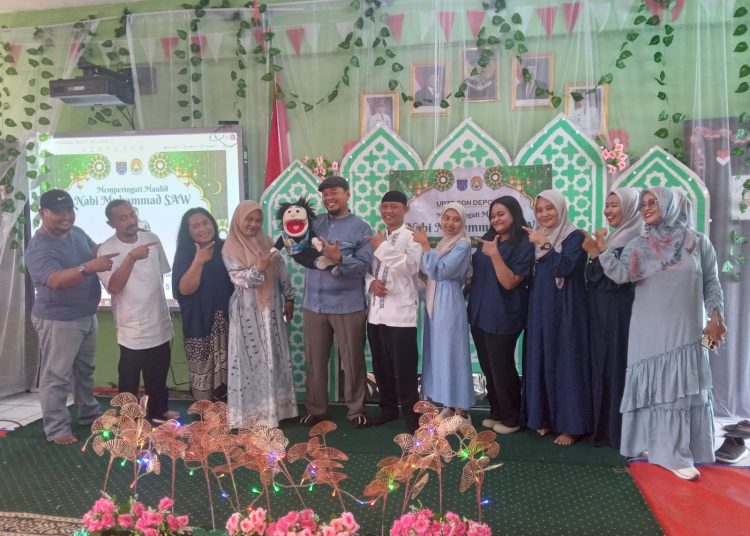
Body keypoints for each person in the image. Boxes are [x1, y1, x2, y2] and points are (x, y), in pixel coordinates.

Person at [598, 187, 726, 480]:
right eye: (643, 203)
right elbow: (621, 275)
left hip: (686, 330)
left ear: (671, 205)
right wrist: (602, 250)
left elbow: (712, 282)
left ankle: (677, 451)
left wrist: (716, 315)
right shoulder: (639, 245)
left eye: (652, 202)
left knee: (680, 388)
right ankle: (657, 447)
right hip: (647, 329)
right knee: (653, 388)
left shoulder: (699, 243)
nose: (645, 207)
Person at [24, 190, 116, 444]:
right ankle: (57, 429)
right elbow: (55, 280)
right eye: (58, 212)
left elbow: (96, 250)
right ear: (43, 213)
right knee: (57, 376)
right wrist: (87, 267)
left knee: (84, 371)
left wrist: (124, 238)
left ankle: (89, 414)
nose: (66, 216)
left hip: (86, 314)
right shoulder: (39, 247)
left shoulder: (76, 233)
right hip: (58, 320)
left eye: (69, 211)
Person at [299, 176, 374, 428]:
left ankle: (356, 410)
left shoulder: (361, 228)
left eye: (334, 192)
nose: (329, 198)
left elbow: (363, 266)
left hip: (348, 306)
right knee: (315, 361)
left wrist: (340, 258)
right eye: (325, 194)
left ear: (347, 194)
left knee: (352, 361)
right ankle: (315, 409)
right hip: (314, 305)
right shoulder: (314, 223)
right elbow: (296, 244)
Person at [97, 200, 179, 422]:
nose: (130, 221)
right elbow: (114, 287)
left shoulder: (151, 239)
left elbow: (161, 273)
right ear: (111, 223)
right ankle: (129, 419)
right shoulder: (107, 249)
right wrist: (131, 257)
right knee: (129, 378)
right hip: (131, 326)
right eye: (122, 218)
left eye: (132, 214)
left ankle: (159, 410)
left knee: (158, 374)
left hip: (158, 321)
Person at [523, 189, 592, 446]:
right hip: (541, 306)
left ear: (561, 208)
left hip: (567, 308)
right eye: (539, 210)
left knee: (566, 360)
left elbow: (565, 267)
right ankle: (545, 418)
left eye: (549, 208)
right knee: (543, 357)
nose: (544, 214)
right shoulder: (537, 236)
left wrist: (544, 244)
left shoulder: (575, 236)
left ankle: (571, 426)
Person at [222, 200, 297, 428]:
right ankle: (250, 414)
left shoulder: (267, 242)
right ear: (239, 220)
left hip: (271, 310)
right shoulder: (230, 248)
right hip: (246, 313)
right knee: (250, 360)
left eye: (258, 220)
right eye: (249, 219)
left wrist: (289, 297)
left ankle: (275, 410)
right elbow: (241, 280)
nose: (254, 224)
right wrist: (259, 267)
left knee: (273, 357)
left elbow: (281, 270)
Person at [468, 197, 534, 435]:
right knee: (488, 365)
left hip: (503, 314)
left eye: (501, 214)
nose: (496, 219)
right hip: (479, 312)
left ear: (514, 214)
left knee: (502, 366)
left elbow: (509, 282)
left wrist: (495, 254)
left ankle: (512, 417)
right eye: (492, 215)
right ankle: (496, 411)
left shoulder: (524, 242)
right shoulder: (488, 238)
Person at [580, 188, 641, 449]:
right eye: (607, 205)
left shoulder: (636, 241)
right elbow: (595, 279)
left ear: (630, 208)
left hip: (619, 314)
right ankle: (601, 427)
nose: (608, 211)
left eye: (615, 205)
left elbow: (615, 281)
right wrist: (596, 252)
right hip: (600, 313)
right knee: (601, 366)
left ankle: (617, 431)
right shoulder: (615, 238)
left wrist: (597, 253)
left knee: (616, 366)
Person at [365, 191, 422, 433]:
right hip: (376, 313)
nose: (388, 211)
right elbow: (366, 269)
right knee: (381, 366)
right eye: (384, 206)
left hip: (401, 315)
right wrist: (370, 283)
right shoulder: (378, 237)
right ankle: (388, 409)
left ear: (405, 209)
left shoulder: (412, 237)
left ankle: (412, 417)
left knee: (405, 369)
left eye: (394, 206)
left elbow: (411, 267)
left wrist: (382, 248)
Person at [412, 203, 474, 422]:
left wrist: (425, 245)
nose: (450, 223)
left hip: (448, 302)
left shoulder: (462, 245)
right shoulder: (445, 243)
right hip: (436, 301)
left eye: (455, 219)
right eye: (446, 218)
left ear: (462, 222)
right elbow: (428, 271)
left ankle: (462, 411)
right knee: (439, 353)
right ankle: (448, 403)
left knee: (451, 353)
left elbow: (440, 271)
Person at [172, 208, 233, 401]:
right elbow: (184, 290)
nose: (203, 229)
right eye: (196, 226)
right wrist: (198, 261)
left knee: (230, 371)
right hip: (199, 323)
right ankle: (205, 413)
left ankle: (229, 411)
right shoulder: (185, 252)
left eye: (205, 223)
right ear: (188, 231)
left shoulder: (227, 247)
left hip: (229, 321)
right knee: (203, 378)